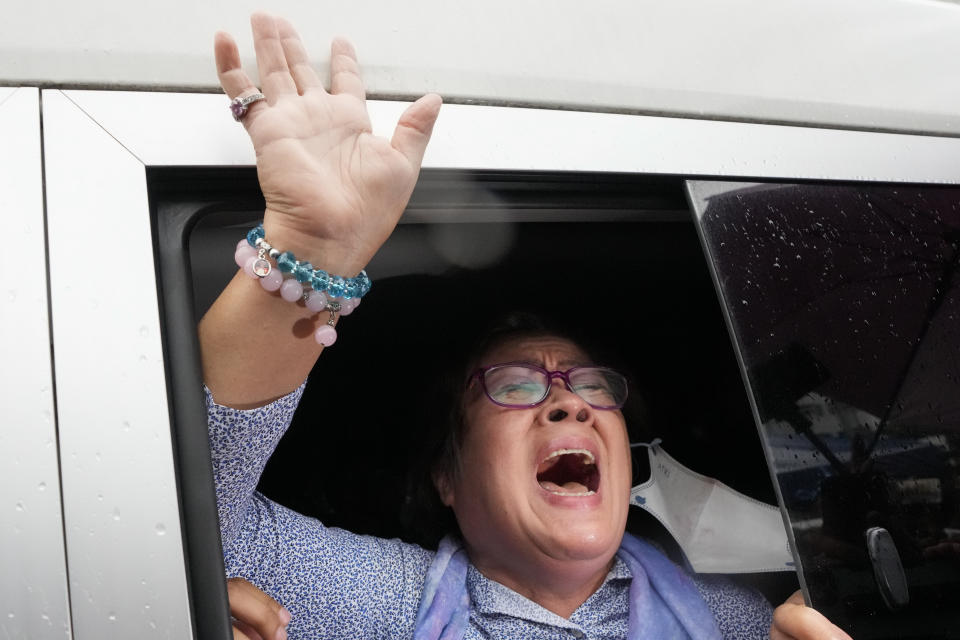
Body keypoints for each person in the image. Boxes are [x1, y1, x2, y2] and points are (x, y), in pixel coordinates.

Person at [200, 13, 854, 640]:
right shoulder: (376, 604)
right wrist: (311, 249)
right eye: (514, 386)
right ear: (447, 478)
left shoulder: (736, 623)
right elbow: (195, 528)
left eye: (593, 386)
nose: (569, 403)